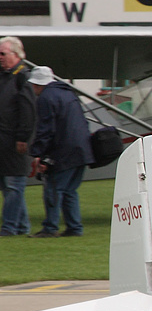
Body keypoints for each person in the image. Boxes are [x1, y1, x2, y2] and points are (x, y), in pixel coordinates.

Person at [28, 65, 93, 238]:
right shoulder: (68, 94)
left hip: (64, 151)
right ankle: (74, 227)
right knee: (70, 190)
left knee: (53, 189)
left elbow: (46, 129)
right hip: (82, 150)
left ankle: (50, 228)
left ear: (37, 84)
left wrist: (38, 153)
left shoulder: (46, 98)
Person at [0, 35, 36, 236]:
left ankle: (10, 227)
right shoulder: (6, 77)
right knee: (9, 185)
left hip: (15, 142)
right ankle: (22, 226)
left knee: (14, 185)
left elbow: (28, 111)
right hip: (4, 141)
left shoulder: (23, 78)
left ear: (15, 54)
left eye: (3, 53)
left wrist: (23, 137)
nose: (0, 57)